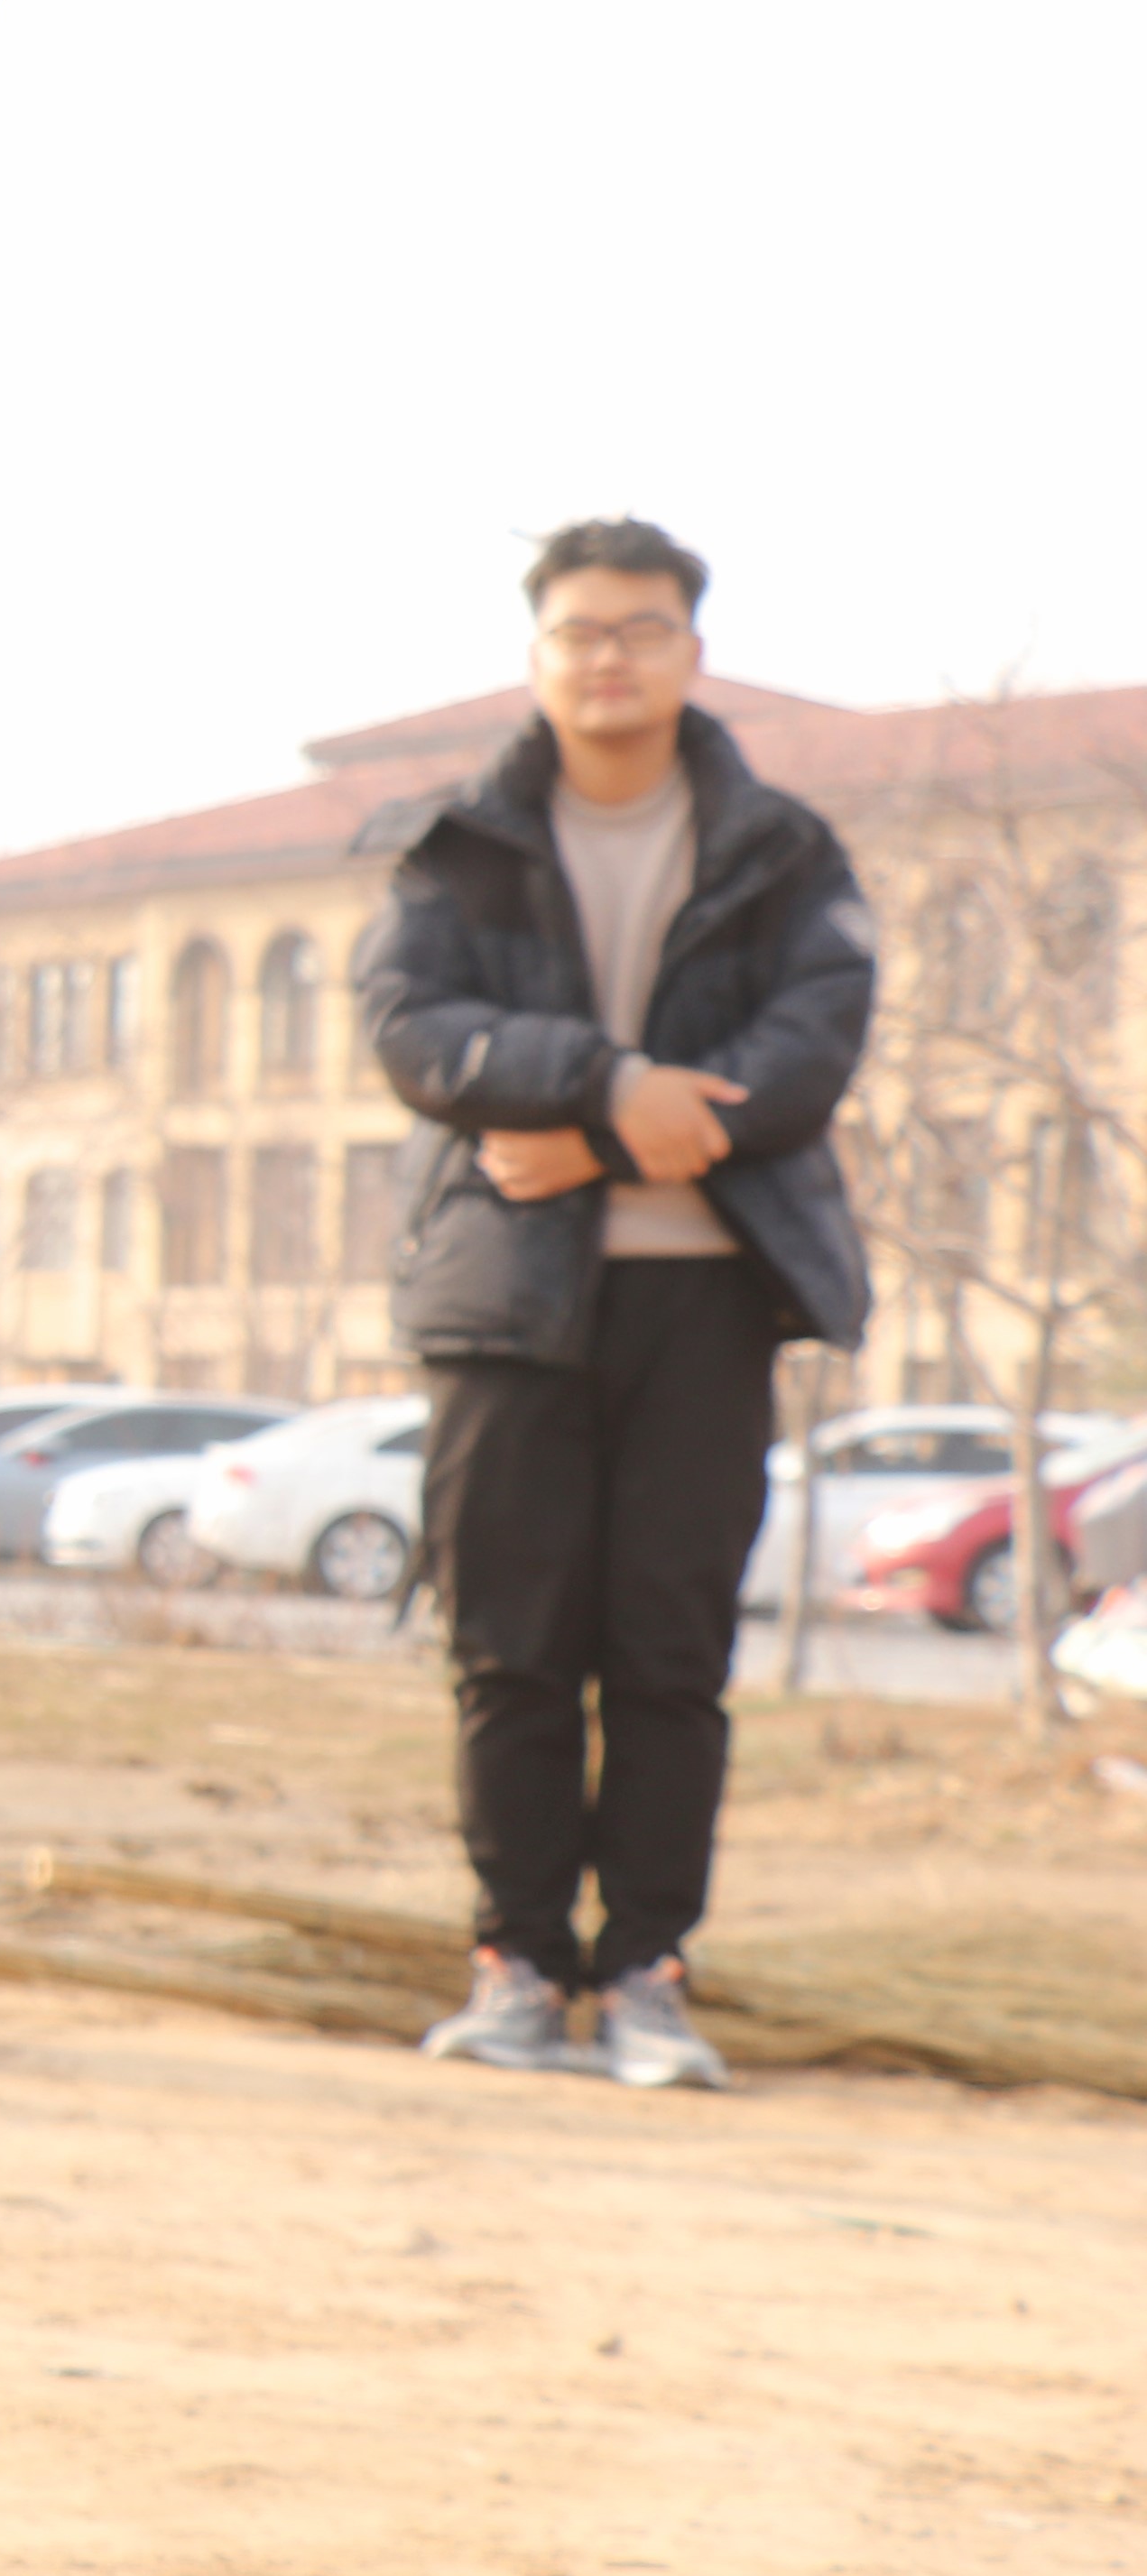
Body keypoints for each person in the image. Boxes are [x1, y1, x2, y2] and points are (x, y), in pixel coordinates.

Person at [359, 518, 874, 2091]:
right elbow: (408, 1024)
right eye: (581, 631)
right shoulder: (456, 841)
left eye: (642, 630)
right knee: (510, 1650)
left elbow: (820, 1032)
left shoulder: (784, 846)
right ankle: (517, 1960)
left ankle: (648, 1970)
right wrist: (608, 1083)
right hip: (506, 1301)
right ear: (537, 655)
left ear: (691, 650)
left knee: (668, 1653)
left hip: (709, 1297)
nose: (611, 658)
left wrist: (591, 1128)